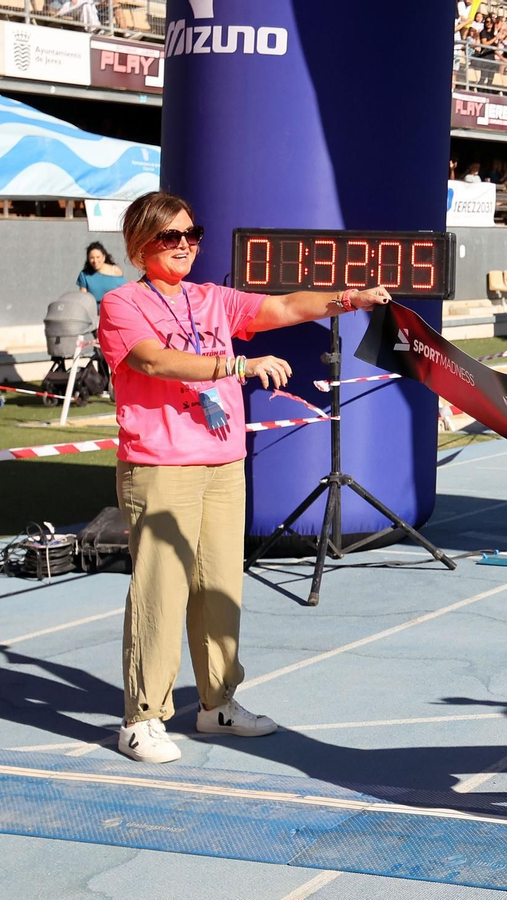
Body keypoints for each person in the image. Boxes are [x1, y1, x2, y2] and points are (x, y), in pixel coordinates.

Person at [97, 191, 391, 764]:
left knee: (220, 585)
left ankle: (218, 703)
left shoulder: (211, 298)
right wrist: (236, 364)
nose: (184, 245)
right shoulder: (122, 304)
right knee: (162, 590)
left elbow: (281, 309)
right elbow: (154, 361)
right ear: (140, 245)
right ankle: (142, 719)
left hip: (223, 461)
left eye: (191, 234)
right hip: (160, 465)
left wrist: (346, 298)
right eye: (169, 237)